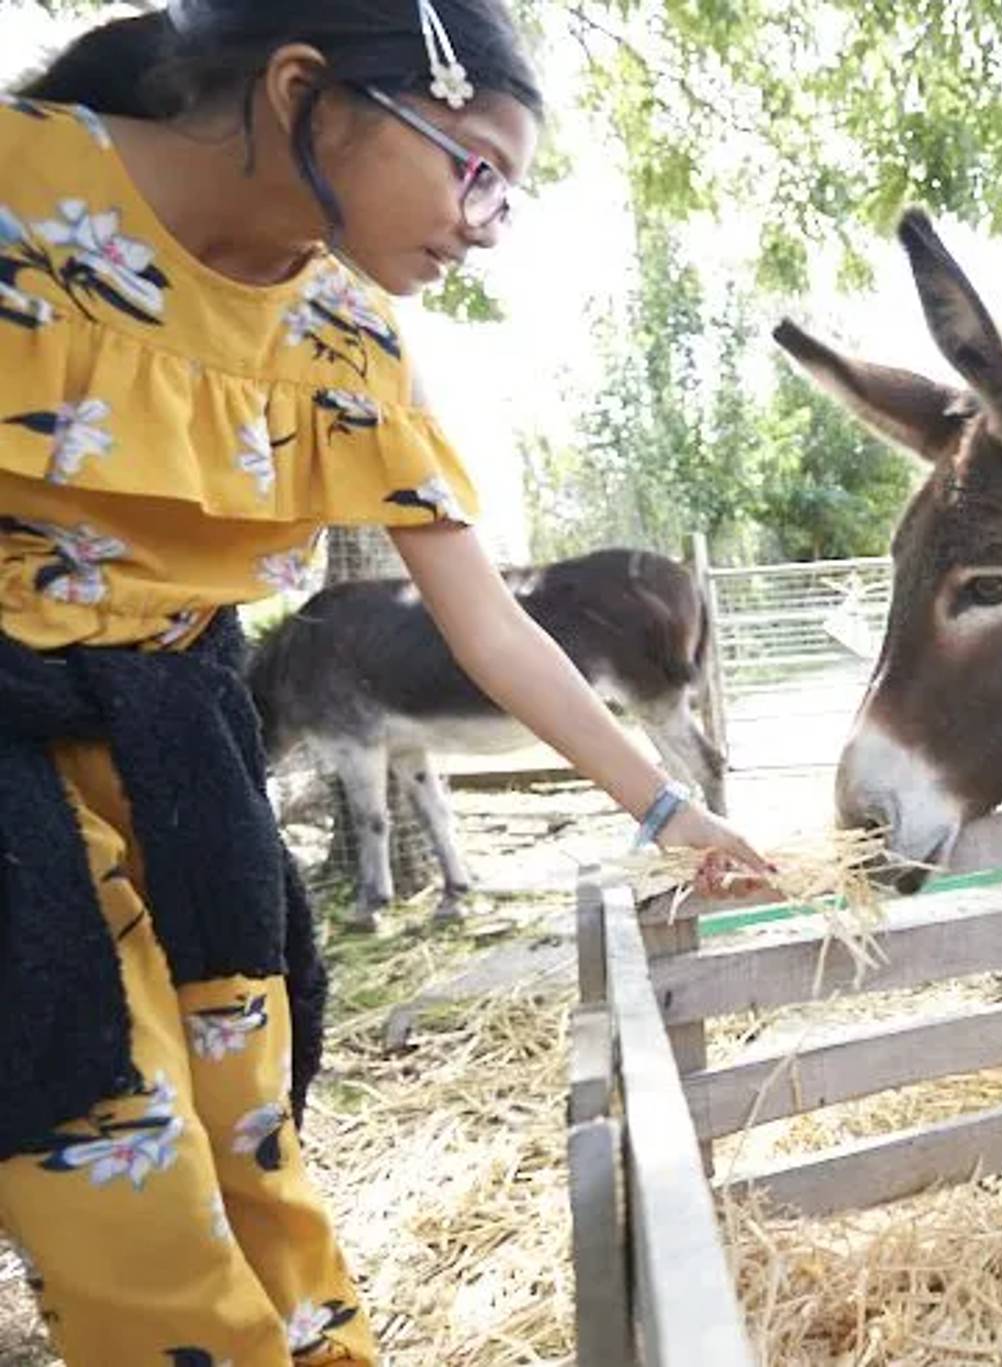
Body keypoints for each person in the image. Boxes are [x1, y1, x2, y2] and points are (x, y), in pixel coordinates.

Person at [0, 4, 770, 1361]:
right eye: (473, 167)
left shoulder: (348, 339)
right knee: (126, 1181)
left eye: (508, 195)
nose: (486, 221)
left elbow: (496, 626)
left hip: (179, 765)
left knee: (258, 1163)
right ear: (309, 92)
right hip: (13, 782)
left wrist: (668, 813)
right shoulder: (21, 194)